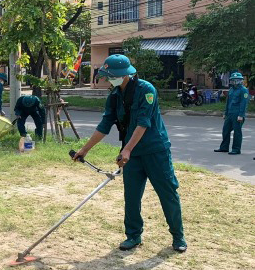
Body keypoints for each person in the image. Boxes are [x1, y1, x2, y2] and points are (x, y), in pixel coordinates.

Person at [72, 54, 187, 253]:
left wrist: (126, 149)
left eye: (111, 76)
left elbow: (143, 123)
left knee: (167, 193)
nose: (109, 80)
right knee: (131, 196)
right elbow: (104, 125)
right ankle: (133, 236)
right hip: (132, 155)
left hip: (154, 151)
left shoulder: (146, 90)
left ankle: (178, 236)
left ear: (124, 75)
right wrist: (84, 150)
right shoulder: (115, 96)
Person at [214, 72, 250, 155]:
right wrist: (225, 113)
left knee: (237, 132)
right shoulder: (231, 89)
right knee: (225, 130)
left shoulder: (243, 90)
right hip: (230, 113)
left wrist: (241, 115)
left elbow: (243, 103)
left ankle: (236, 149)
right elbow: (228, 102)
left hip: (238, 114)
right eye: (233, 80)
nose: (235, 82)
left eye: (237, 80)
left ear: (241, 80)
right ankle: (224, 147)